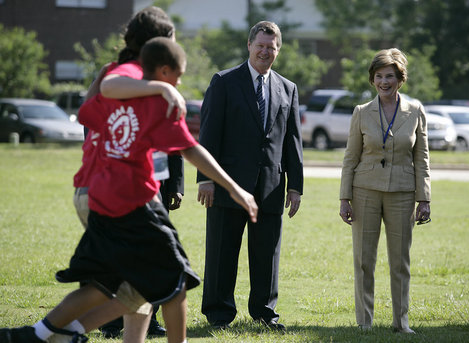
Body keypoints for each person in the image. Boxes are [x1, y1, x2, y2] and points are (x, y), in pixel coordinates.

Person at [0, 37, 258, 343]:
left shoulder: (111, 98)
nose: (179, 82)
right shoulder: (156, 103)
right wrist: (235, 188)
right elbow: (189, 149)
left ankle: (46, 334)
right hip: (135, 205)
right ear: (163, 70)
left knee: (108, 286)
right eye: (178, 75)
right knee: (175, 282)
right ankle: (53, 333)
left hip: (100, 201)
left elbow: (90, 108)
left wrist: (112, 74)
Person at [72, 6, 183, 339]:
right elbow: (103, 96)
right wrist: (161, 89)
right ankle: (51, 332)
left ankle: (55, 331)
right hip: (115, 193)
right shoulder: (132, 74)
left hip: (111, 190)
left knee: (137, 284)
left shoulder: (133, 75)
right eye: (173, 41)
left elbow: (87, 114)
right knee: (156, 277)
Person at [197, 21, 303, 330]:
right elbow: (209, 134)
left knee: (266, 255)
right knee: (221, 252)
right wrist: (205, 179)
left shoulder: (288, 88)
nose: (266, 52)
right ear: (249, 45)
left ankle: (264, 313)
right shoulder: (224, 82)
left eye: (272, 47)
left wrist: (295, 186)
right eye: (261, 45)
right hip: (227, 185)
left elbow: (293, 141)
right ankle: (218, 314)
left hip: (270, 187)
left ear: (278, 50)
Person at [339, 48, 431, 334]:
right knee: (364, 260)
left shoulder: (415, 112)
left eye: (389, 76)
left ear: (400, 78)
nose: (384, 82)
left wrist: (424, 198)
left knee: (400, 262)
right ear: (372, 79)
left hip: (403, 193)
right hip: (364, 190)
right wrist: (344, 198)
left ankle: (401, 322)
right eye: (378, 76)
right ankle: (364, 322)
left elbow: (422, 158)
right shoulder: (361, 112)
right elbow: (350, 158)